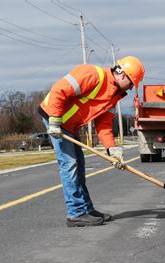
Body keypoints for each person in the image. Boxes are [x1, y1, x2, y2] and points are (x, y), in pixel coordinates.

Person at [38, 56, 145, 227]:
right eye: (132, 84)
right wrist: (55, 120)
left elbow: (103, 125)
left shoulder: (114, 96)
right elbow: (59, 90)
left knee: (79, 165)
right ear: (124, 75)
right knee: (70, 164)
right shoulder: (92, 74)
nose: (131, 88)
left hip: (70, 126)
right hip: (55, 119)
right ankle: (76, 213)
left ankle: (86, 209)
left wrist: (112, 151)